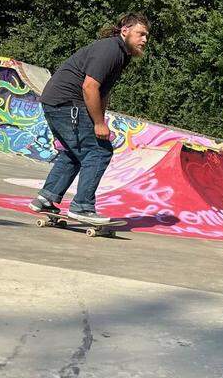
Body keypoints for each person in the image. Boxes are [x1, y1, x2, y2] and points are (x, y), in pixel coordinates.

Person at [29, 13, 150, 224]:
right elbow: (89, 86)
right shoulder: (111, 49)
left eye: (146, 36)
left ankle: (47, 197)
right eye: (140, 34)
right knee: (99, 151)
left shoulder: (121, 54)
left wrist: (101, 121)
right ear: (125, 31)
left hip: (58, 102)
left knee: (75, 151)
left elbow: (103, 93)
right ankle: (82, 207)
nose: (144, 40)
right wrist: (98, 124)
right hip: (67, 103)